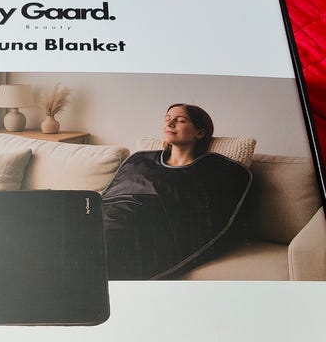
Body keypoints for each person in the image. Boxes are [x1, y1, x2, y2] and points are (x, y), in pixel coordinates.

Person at [101, 103, 252, 280]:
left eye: (180, 120)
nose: (170, 123)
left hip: (140, 229)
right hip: (104, 217)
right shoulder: (140, 160)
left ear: (200, 133)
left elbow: (200, 221)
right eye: (167, 119)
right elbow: (112, 196)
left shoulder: (212, 171)